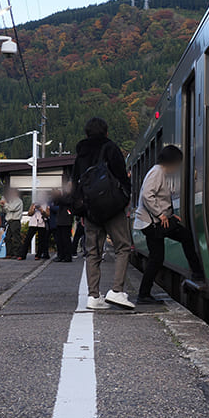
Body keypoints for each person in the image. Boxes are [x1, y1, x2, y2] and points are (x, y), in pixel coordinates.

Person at [72, 117, 133, 310]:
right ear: (106, 132)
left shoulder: (80, 155)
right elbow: (122, 176)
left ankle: (93, 296)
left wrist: (81, 211)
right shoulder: (111, 148)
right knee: (122, 247)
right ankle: (116, 291)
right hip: (113, 208)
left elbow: (75, 184)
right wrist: (124, 198)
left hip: (91, 211)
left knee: (93, 252)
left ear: (87, 134)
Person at [135, 145, 205, 305]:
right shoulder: (157, 172)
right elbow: (147, 195)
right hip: (152, 223)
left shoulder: (158, 172)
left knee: (183, 238)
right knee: (157, 258)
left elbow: (157, 197)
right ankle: (143, 295)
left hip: (156, 222)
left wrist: (169, 215)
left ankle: (196, 272)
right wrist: (160, 214)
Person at [51, 183, 74, 262]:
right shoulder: (64, 195)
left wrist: (59, 196)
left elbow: (67, 202)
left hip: (66, 219)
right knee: (59, 239)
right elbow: (56, 203)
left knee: (66, 239)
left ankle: (67, 256)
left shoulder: (72, 195)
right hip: (60, 219)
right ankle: (61, 255)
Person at [0, 188, 24, 258]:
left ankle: (17, 253)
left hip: (15, 220)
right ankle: (9, 253)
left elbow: (11, 208)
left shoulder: (18, 201)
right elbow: (6, 210)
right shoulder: (10, 201)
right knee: (7, 237)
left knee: (16, 237)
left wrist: (5, 204)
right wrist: (3, 205)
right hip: (9, 221)